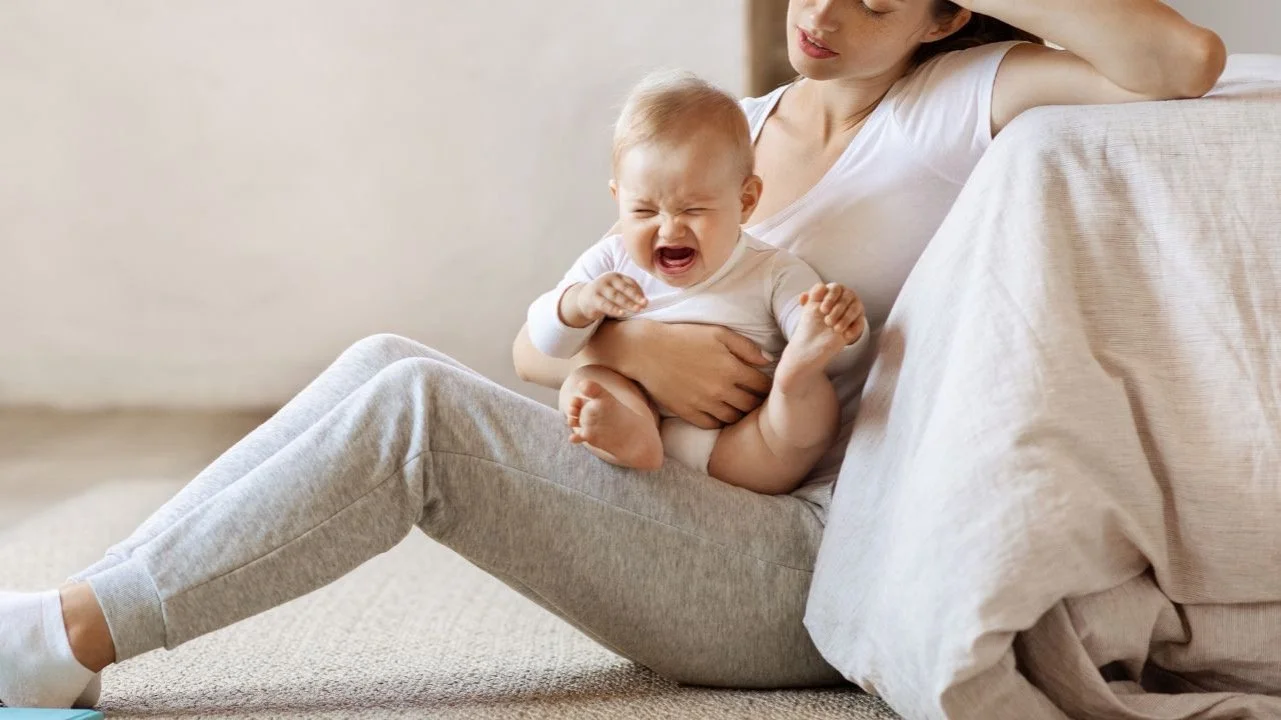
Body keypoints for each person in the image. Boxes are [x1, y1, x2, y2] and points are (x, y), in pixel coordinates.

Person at [0, 0, 1225, 709]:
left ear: (943, 11)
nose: (824, 13)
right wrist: (638, 341)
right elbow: (543, 352)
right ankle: (75, 620)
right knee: (388, 362)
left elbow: (1185, 68)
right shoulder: (729, 130)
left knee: (421, 415)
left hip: (795, 567)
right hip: (669, 485)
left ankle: (63, 642)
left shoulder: (960, 101)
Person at [527, 70, 867, 492]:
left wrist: (825, 329)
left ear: (745, 201)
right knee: (586, 385)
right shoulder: (610, 262)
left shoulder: (771, 270)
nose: (669, 230)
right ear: (618, 199)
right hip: (640, 412)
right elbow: (544, 340)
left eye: (693, 210)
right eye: (645, 212)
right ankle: (629, 435)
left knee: (811, 404)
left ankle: (792, 380)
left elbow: (834, 351)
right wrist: (578, 302)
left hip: (739, 443)